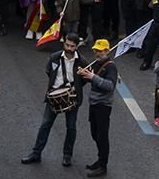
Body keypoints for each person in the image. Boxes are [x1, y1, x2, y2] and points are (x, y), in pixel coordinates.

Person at [22, 32, 84, 166]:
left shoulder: (82, 61)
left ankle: (67, 155)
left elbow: (85, 78)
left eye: (72, 46)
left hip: (72, 97)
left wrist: (75, 87)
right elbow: (49, 72)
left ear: (76, 47)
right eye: (67, 45)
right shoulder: (54, 57)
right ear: (64, 43)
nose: (68, 48)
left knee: (71, 127)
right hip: (54, 95)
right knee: (45, 125)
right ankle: (36, 153)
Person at [77, 38, 119, 176]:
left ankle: (103, 165)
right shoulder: (96, 64)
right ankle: (100, 160)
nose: (97, 53)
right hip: (93, 103)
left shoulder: (111, 66)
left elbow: (110, 86)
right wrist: (84, 75)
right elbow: (93, 81)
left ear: (107, 51)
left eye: (100, 51)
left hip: (103, 105)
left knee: (102, 136)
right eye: (96, 50)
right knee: (94, 133)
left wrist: (93, 76)